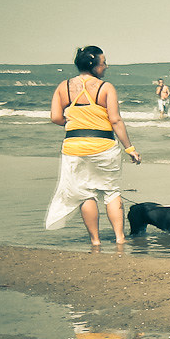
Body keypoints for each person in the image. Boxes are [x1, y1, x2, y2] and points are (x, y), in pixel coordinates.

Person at [45, 46, 142, 246]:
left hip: (74, 147)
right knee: (111, 192)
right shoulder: (106, 87)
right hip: (104, 146)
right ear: (94, 65)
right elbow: (115, 120)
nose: (106, 66)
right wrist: (130, 148)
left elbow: (55, 117)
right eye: (103, 62)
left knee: (85, 193)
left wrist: (73, 121)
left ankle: (95, 241)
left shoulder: (63, 87)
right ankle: (120, 238)